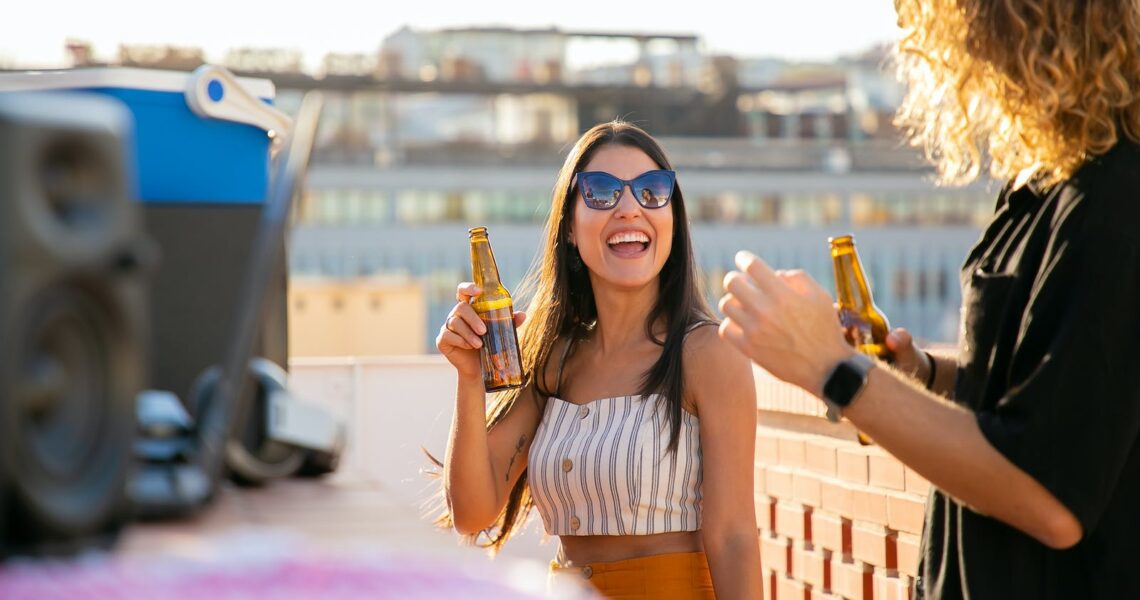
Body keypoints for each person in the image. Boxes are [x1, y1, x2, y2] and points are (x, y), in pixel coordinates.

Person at [717, 0, 1140, 597]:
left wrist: (834, 370)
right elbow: (1045, 388)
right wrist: (920, 374)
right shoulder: (1045, 186)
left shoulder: (1114, 200)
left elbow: (1051, 497)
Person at [434, 121, 763, 599]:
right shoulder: (553, 359)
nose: (630, 208)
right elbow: (471, 511)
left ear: (673, 216)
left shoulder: (709, 354)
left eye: (652, 191)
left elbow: (734, 537)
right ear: (569, 226)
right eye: (602, 192)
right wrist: (468, 376)